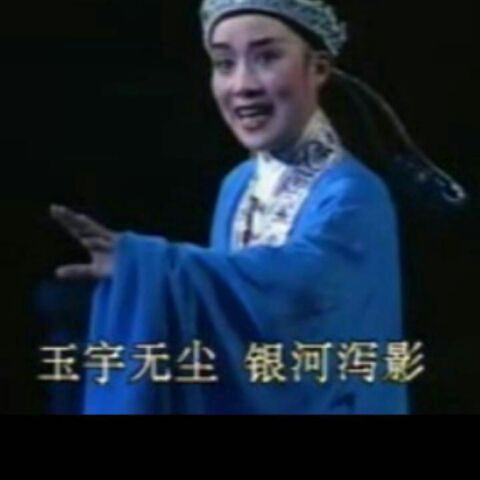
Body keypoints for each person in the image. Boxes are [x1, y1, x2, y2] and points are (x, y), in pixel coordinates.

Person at [49, 0, 466, 414]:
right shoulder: (239, 184)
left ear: (318, 68)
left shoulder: (354, 194)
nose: (242, 85)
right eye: (224, 63)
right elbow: (233, 327)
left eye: (267, 58)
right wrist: (150, 273)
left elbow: (301, 293)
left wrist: (147, 265)